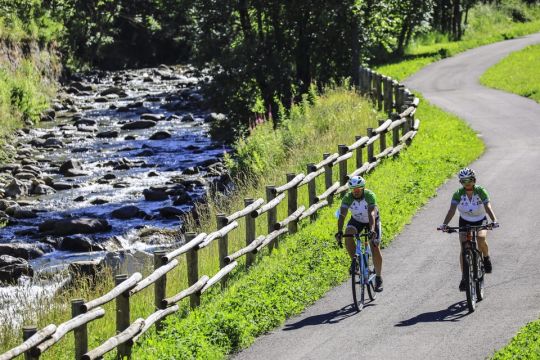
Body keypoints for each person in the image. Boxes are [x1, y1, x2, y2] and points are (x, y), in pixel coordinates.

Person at [439, 168, 499, 291]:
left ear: (474, 180)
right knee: (464, 246)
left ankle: (486, 258)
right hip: (465, 221)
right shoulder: (458, 193)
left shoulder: (481, 191)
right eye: (463, 181)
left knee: (481, 238)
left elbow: (487, 206)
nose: (467, 183)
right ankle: (464, 277)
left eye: (469, 180)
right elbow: (452, 210)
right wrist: (444, 224)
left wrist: (494, 220)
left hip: (480, 219)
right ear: (460, 182)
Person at [335, 176, 383, 292]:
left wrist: (372, 230)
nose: (356, 192)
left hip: (372, 220)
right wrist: (340, 231)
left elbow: (371, 214)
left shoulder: (369, 195)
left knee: (374, 246)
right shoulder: (347, 198)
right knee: (348, 234)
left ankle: (378, 277)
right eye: (353, 190)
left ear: (363, 188)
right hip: (357, 221)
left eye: (358, 189)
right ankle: (355, 262)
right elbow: (342, 216)